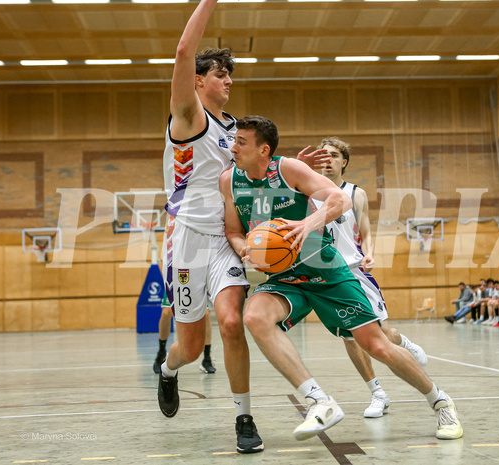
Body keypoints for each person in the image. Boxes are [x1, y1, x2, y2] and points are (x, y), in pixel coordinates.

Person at [219, 115, 463, 441]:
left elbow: (341, 198)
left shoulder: (288, 169)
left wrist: (310, 222)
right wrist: (245, 247)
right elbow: (233, 230)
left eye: (241, 142)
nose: (232, 147)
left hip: (326, 270)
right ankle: (320, 401)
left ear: (264, 150)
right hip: (283, 278)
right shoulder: (229, 181)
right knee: (254, 316)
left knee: (376, 345)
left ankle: (440, 401)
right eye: (234, 141)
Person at [156, 0, 327, 453]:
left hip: (228, 241)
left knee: (233, 322)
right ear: (197, 80)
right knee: (190, 347)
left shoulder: (235, 131)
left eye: (230, 75)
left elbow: (254, 170)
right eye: (219, 73)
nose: (228, 80)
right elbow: (181, 52)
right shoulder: (187, 117)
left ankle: (243, 417)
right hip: (188, 243)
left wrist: (288, 168)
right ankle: (169, 370)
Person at [315, 137, 428, 418]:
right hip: (328, 278)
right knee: (351, 338)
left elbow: (365, 232)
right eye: (322, 154)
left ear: (344, 162)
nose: (326, 159)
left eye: (333, 155)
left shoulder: (356, 194)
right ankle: (377, 393)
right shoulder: (308, 193)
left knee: (384, 336)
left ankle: (404, 343)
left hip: (355, 272)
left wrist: (370, 254)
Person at [152, 295, 216, 375]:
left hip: (197, 283)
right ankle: (161, 352)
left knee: (205, 314)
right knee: (166, 313)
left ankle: (207, 358)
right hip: (176, 283)